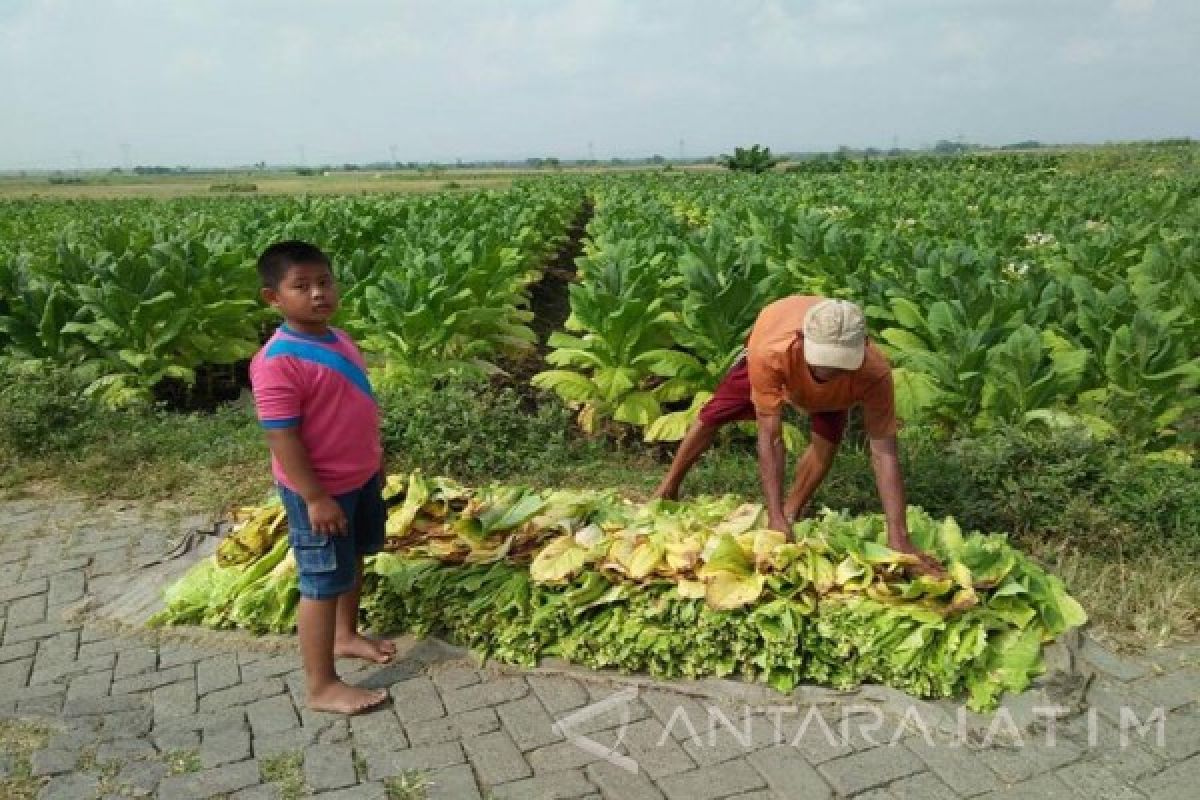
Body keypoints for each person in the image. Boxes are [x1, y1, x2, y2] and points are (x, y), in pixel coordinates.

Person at [653, 295, 942, 573]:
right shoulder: (770, 352)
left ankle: (793, 511)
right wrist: (772, 515)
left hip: (833, 387)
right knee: (714, 414)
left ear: (864, 347)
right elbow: (771, 438)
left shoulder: (873, 372)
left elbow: (884, 452)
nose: (829, 371)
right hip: (774, 353)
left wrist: (899, 534)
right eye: (823, 361)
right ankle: (668, 487)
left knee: (828, 440)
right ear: (802, 340)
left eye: (839, 364)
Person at [250, 240, 394, 714]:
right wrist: (314, 498)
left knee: (352, 559)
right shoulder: (277, 361)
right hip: (320, 490)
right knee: (321, 580)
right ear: (274, 298)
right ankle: (321, 687)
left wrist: (375, 460)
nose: (317, 294)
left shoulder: (338, 338)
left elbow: (355, 408)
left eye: (324, 282)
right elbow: (282, 438)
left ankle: (345, 635)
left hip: (358, 478)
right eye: (302, 286)